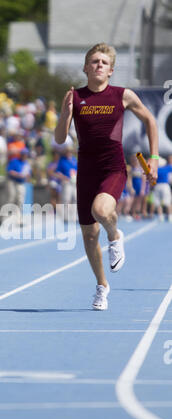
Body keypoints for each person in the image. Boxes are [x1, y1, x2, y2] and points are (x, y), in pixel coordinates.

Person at [55, 43, 159, 311]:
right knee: (89, 235)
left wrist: (154, 159)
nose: (99, 65)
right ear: (85, 67)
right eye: (94, 61)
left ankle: (115, 235)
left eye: (103, 62)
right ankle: (102, 286)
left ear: (111, 70)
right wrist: (66, 112)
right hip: (86, 171)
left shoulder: (122, 95)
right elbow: (58, 138)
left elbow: (150, 120)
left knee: (102, 210)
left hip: (113, 167)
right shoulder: (75, 96)